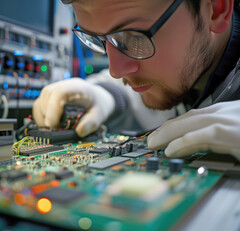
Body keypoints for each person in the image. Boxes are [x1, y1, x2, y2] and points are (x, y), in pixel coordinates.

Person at [33, 0, 240, 161]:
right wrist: (107, 96)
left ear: (215, 9)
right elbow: (148, 94)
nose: (115, 70)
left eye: (134, 39)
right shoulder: (179, 69)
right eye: (98, 40)